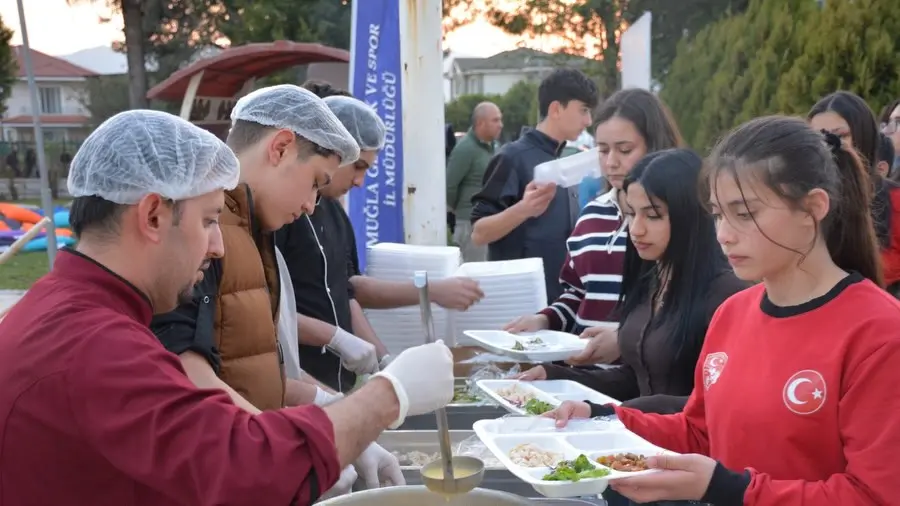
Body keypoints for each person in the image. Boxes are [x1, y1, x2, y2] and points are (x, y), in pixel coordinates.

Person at [0, 109, 455, 505]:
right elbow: (242, 467)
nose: (217, 246)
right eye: (208, 221)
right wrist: (390, 394)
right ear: (154, 215)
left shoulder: (71, 309)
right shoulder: (94, 344)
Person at [546, 116, 900, 505]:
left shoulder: (879, 333)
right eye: (717, 214)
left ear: (812, 208)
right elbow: (700, 430)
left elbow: (875, 494)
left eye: (745, 214)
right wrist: (603, 416)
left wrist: (728, 488)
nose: (724, 234)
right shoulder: (733, 313)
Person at [148, 85, 401, 492]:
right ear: (281, 148)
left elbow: (253, 370)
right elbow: (183, 366)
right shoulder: (207, 237)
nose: (311, 206)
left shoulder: (255, 235)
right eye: (315, 183)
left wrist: (331, 413)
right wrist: (302, 450)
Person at [517, 149, 747, 412]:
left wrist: (608, 412)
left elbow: (715, 404)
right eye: (630, 214)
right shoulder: (651, 279)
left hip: (689, 450)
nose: (636, 229)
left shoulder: (728, 295)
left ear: (690, 216)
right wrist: (556, 376)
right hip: (642, 442)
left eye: (652, 215)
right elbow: (637, 377)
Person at [505, 89, 683, 365]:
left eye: (625, 150)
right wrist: (543, 320)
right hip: (585, 377)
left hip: (646, 383)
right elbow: (576, 294)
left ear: (656, 146)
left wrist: (625, 341)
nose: (611, 162)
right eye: (602, 150)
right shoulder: (591, 216)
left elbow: (687, 308)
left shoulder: (680, 220)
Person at [470, 68, 599, 301]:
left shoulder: (561, 158)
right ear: (556, 109)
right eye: (583, 110)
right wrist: (524, 209)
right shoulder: (512, 157)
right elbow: (479, 233)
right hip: (520, 301)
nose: (588, 121)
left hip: (558, 302)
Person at [809, 91, 900, 291]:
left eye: (840, 135)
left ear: (863, 135)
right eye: (817, 137)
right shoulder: (804, 203)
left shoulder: (895, 200)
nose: (828, 144)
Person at [446, 101, 503, 262]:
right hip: (470, 225)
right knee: (475, 275)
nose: (500, 125)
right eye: (495, 120)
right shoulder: (465, 149)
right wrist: (461, 211)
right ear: (480, 123)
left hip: (490, 222)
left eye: (500, 120)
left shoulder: (493, 147)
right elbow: (450, 186)